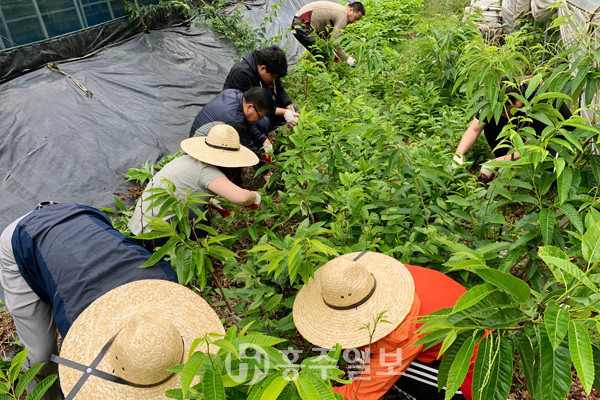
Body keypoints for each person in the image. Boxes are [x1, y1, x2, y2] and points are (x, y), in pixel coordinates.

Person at [0, 202, 186, 399]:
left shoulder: (165, 281)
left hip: (82, 214)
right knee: (41, 356)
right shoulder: (78, 321)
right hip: (25, 236)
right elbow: (87, 368)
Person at [293, 251, 476, 400]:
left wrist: (302, 393)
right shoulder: (393, 279)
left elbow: (357, 395)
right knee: (363, 356)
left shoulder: (399, 332)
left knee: (366, 363)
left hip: (475, 374)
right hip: (463, 328)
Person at [129, 124, 262, 251]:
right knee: (197, 217)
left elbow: (187, 188)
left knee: (197, 210)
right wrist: (256, 197)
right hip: (151, 237)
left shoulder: (186, 160)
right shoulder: (206, 170)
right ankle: (193, 252)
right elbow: (242, 197)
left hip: (139, 230)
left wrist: (213, 202)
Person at [453, 78, 573, 181]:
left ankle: (514, 166)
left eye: (506, 112)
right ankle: (506, 167)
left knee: (547, 173)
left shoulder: (539, 105)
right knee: (491, 122)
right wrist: (458, 155)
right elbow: (474, 129)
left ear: (519, 103)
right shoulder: (495, 100)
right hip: (523, 126)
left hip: (555, 135)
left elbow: (530, 149)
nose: (503, 114)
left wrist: (495, 162)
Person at [223, 45, 299, 133]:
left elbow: (278, 88)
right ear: (263, 68)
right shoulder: (242, 74)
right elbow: (250, 105)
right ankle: (259, 139)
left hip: (260, 100)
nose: (273, 80)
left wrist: (289, 107)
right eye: (273, 77)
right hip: (242, 107)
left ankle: (273, 133)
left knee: (291, 108)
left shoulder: (270, 66)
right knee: (263, 122)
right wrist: (284, 112)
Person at [189, 87, 274, 166]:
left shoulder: (234, 93)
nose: (259, 120)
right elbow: (249, 147)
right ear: (250, 107)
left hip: (204, 136)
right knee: (238, 150)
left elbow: (248, 125)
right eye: (260, 117)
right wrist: (265, 171)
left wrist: (263, 139)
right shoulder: (234, 120)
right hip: (199, 150)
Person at [292, 1, 365, 65]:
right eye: (356, 18)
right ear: (350, 10)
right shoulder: (343, 17)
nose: (354, 21)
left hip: (302, 21)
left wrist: (333, 51)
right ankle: (320, 78)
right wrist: (347, 58)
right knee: (321, 54)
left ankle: (313, 72)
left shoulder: (341, 11)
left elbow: (328, 37)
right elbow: (334, 41)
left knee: (322, 51)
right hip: (300, 23)